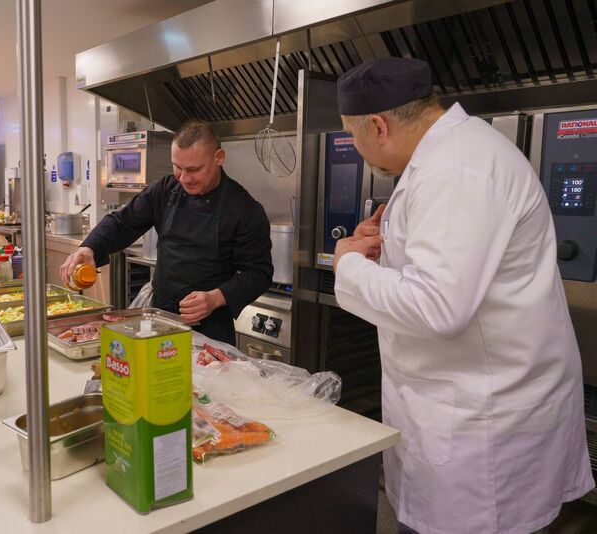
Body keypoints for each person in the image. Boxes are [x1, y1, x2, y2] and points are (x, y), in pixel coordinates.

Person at [331, 57, 593, 533]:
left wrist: (347, 264)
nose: (355, 147)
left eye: (352, 135)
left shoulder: (457, 169)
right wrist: (383, 255)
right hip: (462, 403)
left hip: (484, 425)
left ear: (377, 125)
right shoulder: (447, 155)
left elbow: (437, 307)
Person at [60, 120, 273, 344]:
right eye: (177, 167)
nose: (183, 178)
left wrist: (215, 298)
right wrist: (89, 248)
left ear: (219, 157)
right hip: (159, 317)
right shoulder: (165, 190)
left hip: (209, 327)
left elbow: (259, 273)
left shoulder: (244, 209)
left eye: (193, 169)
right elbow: (123, 223)